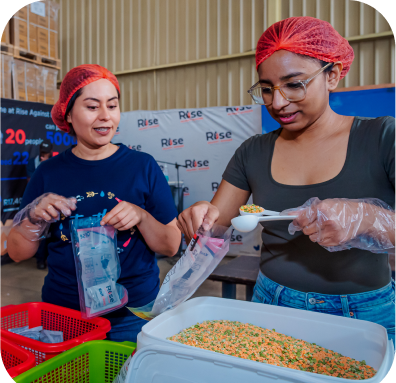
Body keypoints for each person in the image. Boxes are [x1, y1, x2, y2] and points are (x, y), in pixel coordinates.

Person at [177, 16, 396, 344]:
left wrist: (367, 219)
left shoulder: (382, 137)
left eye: (295, 84)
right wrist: (200, 217)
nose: (277, 103)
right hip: (271, 304)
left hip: (363, 313)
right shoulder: (253, 151)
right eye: (266, 89)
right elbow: (216, 225)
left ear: (332, 75)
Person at [8, 64, 181, 342]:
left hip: (132, 315)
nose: (105, 116)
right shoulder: (48, 172)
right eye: (92, 107)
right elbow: (17, 253)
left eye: (112, 106)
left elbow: (171, 244)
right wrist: (34, 218)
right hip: (64, 315)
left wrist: (141, 216)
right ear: (68, 114)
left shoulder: (142, 167)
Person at [25, 140, 53, 270]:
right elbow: (32, 183)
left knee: (53, 233)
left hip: (53, 202)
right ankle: (40, 260)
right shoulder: (33, 162)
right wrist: (43, 166)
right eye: (42, 152)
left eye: (46, 153)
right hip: (37, 204)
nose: (44, 154)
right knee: (41, 232)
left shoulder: (55, 162)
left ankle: (50, 259)